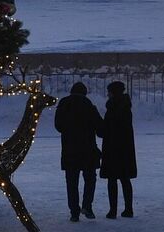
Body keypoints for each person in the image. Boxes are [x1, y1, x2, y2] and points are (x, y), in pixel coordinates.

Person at [54, 80, 102, 221]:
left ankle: (74, 211)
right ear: (84, 93)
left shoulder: (64, 104)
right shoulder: (88, 105)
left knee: (72, 182)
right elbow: (100, 128)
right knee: (90, 179)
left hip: (70, 150)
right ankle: (87, 205)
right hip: (88, 149)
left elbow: (58, 126)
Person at [99, 80, 137, 218]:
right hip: (125, 150)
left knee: (112, 180)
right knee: (125, 179)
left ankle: (113, 210)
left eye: (109, 92)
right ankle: (128, 209)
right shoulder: (126, 108)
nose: (108, 94)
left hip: (112, 149)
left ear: (113, 93)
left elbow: (105, 130)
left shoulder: (112, 109)